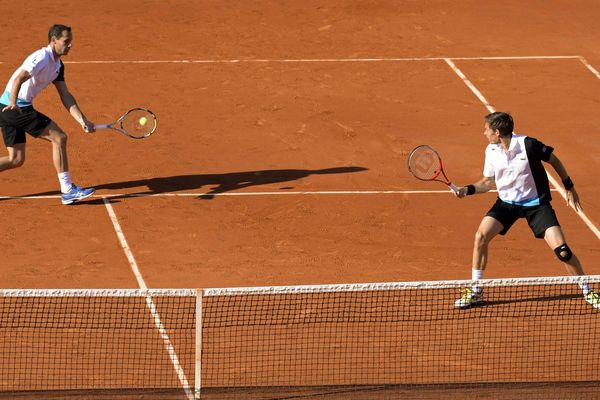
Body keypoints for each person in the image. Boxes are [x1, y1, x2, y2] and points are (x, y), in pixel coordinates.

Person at [453, 111, 599, 309]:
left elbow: (554, 160)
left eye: (486, 129)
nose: (483, 132)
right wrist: (467, 189)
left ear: (497, 132)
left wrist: (569, 186)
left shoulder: (528, 145)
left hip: (536, 205)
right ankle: (476, 290)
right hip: (507, 205)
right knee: (481, 236)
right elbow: (487, 182)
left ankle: (588, 291)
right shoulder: (491, 151)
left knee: (563, 252)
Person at [0, 24, 95, 205]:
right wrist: (13, 102)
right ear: (54, 40)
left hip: (6, 109)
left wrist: (82, 120)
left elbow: (65, 95)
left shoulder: (58, 65)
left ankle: (67, 191)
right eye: (66, 41)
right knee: (59, 138)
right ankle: (67, 190)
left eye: (71, 42)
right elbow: (19, 77)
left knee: (16, 159)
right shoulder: (41, 57)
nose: (70, 45)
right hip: (15, 108)